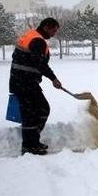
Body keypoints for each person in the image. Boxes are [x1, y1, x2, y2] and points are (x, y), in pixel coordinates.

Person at [9, 17, 63, 155]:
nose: (54, 34)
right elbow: (40, 63)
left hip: (22, 81)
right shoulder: (37, 40)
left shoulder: (31, 35)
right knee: (36, 112)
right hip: (24, 83)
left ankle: (32, 142)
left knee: (36, 112)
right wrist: (54, 79)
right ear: (46, 27)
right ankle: (30, 145)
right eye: (53, 30)